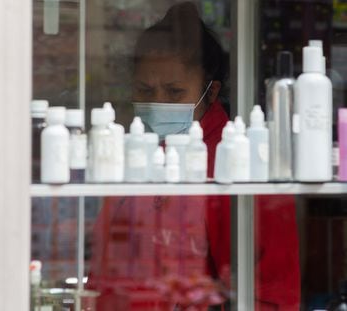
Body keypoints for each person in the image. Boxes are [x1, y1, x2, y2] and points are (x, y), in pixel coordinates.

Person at [88, 2, 300, 310]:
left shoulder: (236, 161)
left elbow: (269, 291)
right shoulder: (128, 150)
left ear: (210, 93)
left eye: (174, 92)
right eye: (145, 91)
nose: (157, 103)